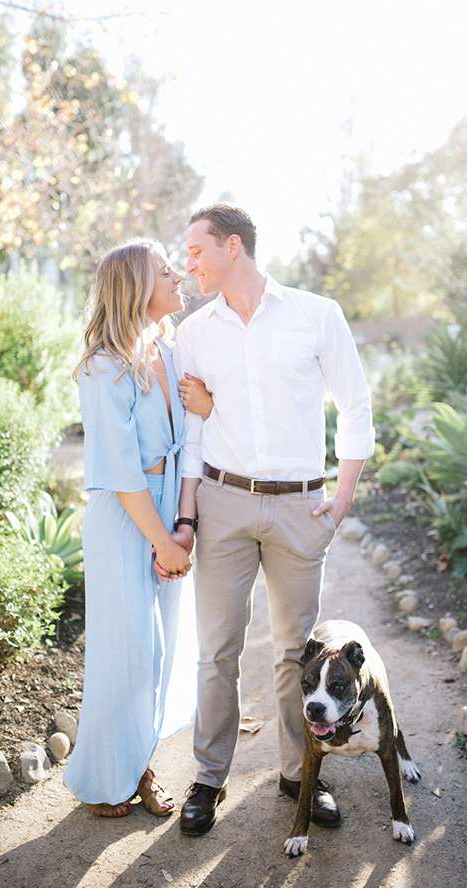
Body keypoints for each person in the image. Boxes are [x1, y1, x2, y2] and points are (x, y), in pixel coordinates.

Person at [168, 204, 375, 835]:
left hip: (299, 505)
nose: (188, 264)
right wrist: (189, 511)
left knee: (295, 653)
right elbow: (196, 431)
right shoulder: (194, 332)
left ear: (235, 247)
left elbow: (356, 405)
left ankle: (300, 776)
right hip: (224, 503)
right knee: (216, 652)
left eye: (197, 251)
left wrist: (338, 503)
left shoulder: (317, 315)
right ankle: (207, 779)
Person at [63, 239, 212, 818]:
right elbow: (122, 472)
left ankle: (140, 765)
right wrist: (161, 540)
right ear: (133, 288)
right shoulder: (104, 366)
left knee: (161, 651)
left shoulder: (170, 353)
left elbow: (192, 434)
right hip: (126, 518)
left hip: (167, 512)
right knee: (124, 651)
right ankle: (103, 778)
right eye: (164, 270)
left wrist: (183, 524)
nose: (178, 275)